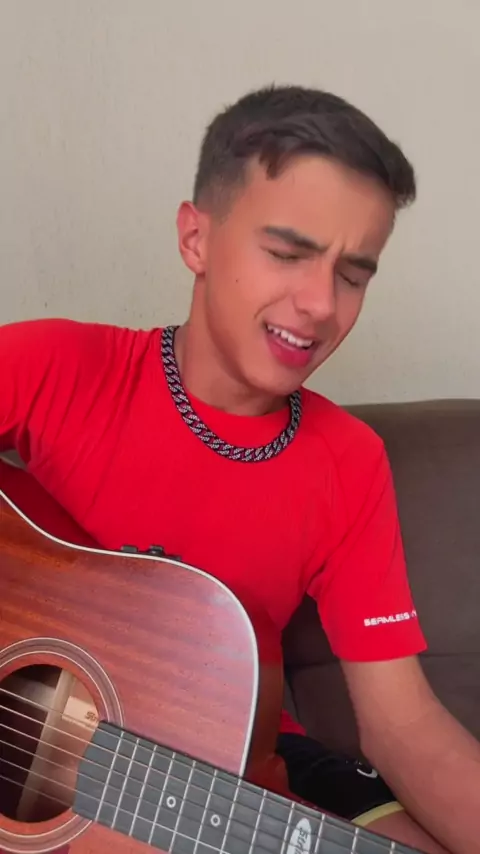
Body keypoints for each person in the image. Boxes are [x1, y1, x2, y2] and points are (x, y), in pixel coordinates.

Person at [0, 85, 479, 854]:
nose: (320, 303)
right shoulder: (55, 367)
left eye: (354, 274)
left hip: (241, 765)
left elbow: (403, 724)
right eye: (287, 253)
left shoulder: (349, 462)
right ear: (196, 239)